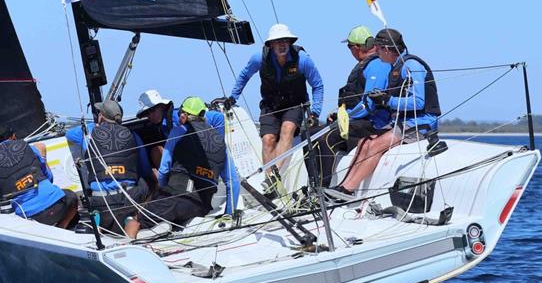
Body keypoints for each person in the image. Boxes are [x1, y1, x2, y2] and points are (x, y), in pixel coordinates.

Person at [326, 28, 441, 201]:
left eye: (378, 48)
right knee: (365, 142)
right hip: (402, 121)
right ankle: (342, 186)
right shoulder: (395, 66)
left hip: (421, 123)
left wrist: (388, 100)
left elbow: (418, 102)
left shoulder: (412, 66)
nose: (375, 52)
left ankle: (348, 190)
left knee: (375, 146)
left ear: (387, 49)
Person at [226, 23, 324, 193]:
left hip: (295, 104)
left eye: (285, 41)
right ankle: (269, 179)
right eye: (277, 41)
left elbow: (318, 85)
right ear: (270, 44)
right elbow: (244, 75)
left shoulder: (303, 59)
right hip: (271, 105)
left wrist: (315, 112)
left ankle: (272, 179)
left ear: (290, 42)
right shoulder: (259, 58)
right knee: (268, 139)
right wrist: (232, 97)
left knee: (287, 129)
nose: (282, 44)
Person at [124, 97, 240, 239]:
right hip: (202, 206)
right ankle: (165, 224)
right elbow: (233, 181)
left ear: (183, 115)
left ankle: (127, 246)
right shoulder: (221, 144)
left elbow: (164, 170)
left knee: (134, 218)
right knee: (172, 209)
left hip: (175, 199)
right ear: (203, 115)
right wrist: (229, 215)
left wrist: (159, 192)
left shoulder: (178, 131)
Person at [316, 26, 392, 187]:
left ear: (357, 48)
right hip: (357, 122)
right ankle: (313, 188)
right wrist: (339, 114)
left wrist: (345, 117)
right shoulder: (365, 64)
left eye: (349, 47)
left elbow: (369, 104)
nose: (349, 51)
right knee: (310, 135)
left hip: (372, 124)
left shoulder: (377, 65)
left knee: (325, 139)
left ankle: (322, 190)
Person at [67, 100, 153, 233]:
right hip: (129, 198)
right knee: (151, 179)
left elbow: (70, 134)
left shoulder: (89, 133)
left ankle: (97, 224)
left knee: (93, 199)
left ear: (101, 115)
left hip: (99, 199)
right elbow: (145, 168)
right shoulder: (133, 135)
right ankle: (133, 218)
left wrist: (94, 125)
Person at [0, 125, 79, 228]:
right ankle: (61, 227)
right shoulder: (30, 149)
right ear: (14, 137)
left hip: (27, 217)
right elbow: (49, 178)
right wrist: (43, 157)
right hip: (57, 207)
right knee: (72, 197)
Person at [135, 89, 225, 169]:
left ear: (161, 107)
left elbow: (219, 117)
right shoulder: (159, 127)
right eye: (146, 113)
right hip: (181, 162)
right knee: (156, 152)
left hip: (200, 158)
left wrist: (218, 145)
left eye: (152, 110)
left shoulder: (178, 116)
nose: (150, 115)